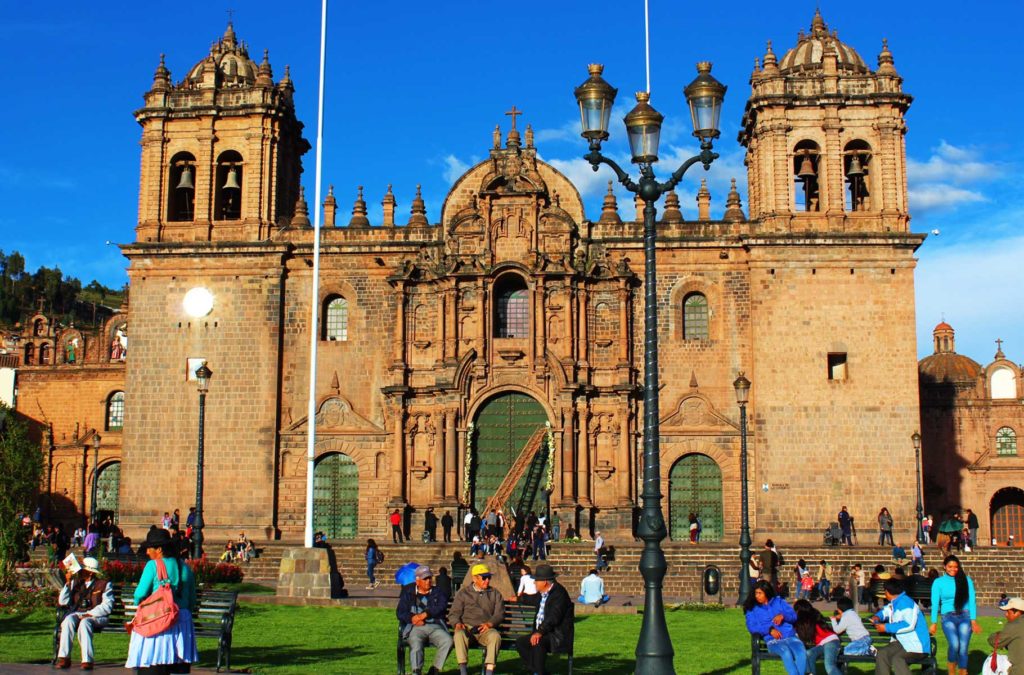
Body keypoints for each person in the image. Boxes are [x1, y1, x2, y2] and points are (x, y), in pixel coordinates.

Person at [125, 528, 198, 673]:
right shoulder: (184, 567)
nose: (147, 552)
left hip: (159, 621)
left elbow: (139, 593)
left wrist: (137, 606)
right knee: (176, 667)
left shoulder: (153, 565)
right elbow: (192, 600)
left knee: (154, 666)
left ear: (159, 549)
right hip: (182, 622)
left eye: (149, 548)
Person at [56, 556, 114, 670]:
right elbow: (62, 602)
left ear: (90, 573)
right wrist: (67, 583)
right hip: (79, 614)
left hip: (97, 616)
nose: (79, 571)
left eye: (82, 569)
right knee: (68, 620)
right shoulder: (75, 583)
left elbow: (107, 606)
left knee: (85, 623)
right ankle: (64, 657)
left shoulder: (104, 584)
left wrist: (90, 614)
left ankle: (87, 660)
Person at [516, 563, 573, 675]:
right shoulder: (543, 593)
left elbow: (554, 617)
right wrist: (518, 598)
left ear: (545, 582)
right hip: (544, 632)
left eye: (536, 580)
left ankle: (538, 672)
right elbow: (533, 599)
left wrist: (539, 632)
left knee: (538, 642)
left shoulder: (559, 594)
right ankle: (539, 671)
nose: (534, 582)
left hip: (556, 635)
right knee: (521, 642)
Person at [928, 554, 980, 675]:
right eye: (950, 566)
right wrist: (933, 622)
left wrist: (973, 620)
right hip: (948, 617)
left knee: (963, 647)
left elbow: (972, 601)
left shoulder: (966, 580)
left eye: (956, 567)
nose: (953, 569)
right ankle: (951, 670)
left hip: (965, 616)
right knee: (955, 644)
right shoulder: (938, 582)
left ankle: (963, 671)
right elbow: (935, 603)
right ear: (945, 567)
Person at [450, 563, 504, 675]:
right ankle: (463, 671)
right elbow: (454, 613)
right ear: (474, 578)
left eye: (489, 577)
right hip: (468, 628)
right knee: (459, 634)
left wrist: (490, 624)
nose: (487, 580)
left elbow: (499, 614)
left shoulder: (495, 593)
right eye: (484, 577)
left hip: (486, 629)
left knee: (495, 636)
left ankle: (489, 672)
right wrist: (457, 624)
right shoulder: (463, 593)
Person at [397, 565, 452, 675]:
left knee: (448, 641)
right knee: (416, 642)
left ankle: (434, 670)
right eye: (425, 579)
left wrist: (425, 614)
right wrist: (412, 618)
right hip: (415, 627)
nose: (428, 581)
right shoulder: (408, 591)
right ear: (417, 580)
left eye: (429, 578)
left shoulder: (438, 591)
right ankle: (416, 671)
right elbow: (400, 612)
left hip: (435, 626)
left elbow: (441, 606)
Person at [744, 580, 806, 675]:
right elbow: (752, 627)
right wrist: (769, 630)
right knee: (786, 652)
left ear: (767, 592)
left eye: (760, 593)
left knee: (801, 652)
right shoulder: (752, 609)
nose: (757, 596)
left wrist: (783, 615)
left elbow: (794, 616)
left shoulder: (779, 601)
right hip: (773, 641)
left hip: (791, 637)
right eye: (756, 593)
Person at [870, 578, 930, 675]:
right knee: (882, 654)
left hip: (916, 646)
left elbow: (908, 624)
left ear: (887, 592)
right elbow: (886, 611)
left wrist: (886, 627)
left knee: (898, 659)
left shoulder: (906, 603)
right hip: (902, 643)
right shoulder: (896, 602)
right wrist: (877, 616)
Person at [793, 598, 840, 675]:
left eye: (796, 610)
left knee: (829, 665)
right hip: (821, 645)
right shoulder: (805, 620)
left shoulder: (812, 617)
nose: (795, 613)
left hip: (831, 641)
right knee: (808, 654)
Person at [988, 597, 1024, 675]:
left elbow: (994, 642)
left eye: (1008, 612)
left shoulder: (1015, 625)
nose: (1006, 615)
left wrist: (997, 634)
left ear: (1018, 612)